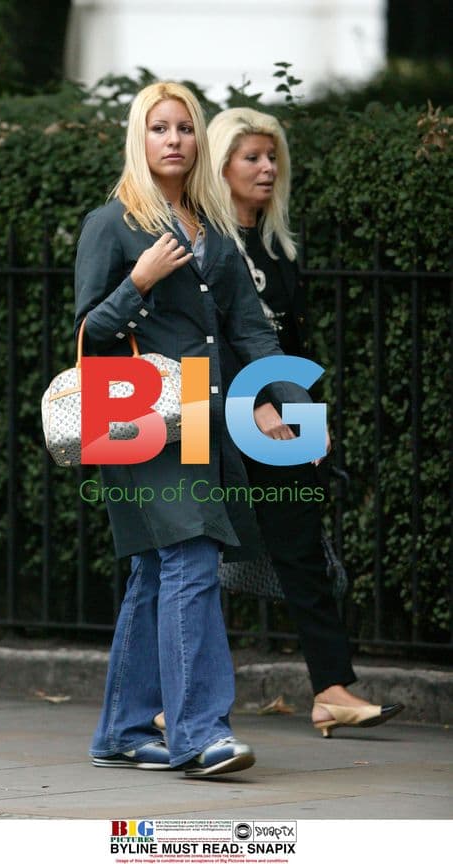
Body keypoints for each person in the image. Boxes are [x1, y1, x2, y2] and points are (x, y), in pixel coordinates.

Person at [74, 83, 312, 776]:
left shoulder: (215, 230)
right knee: (192, 560)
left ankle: (122, 727)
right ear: (138, 139)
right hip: (136, 417)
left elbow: (248, 330)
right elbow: (90, 335)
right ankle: (200, 731)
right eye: (159, 128)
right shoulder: (111, 225)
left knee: (156, 569)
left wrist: (287, 404)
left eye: (185, 127)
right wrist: (139, 280)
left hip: (201, 421)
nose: (174, 139)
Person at [206, 107, 405, 738]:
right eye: (251, 158)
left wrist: (308, 419)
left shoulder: (276, 245)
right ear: (223, 166)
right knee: (188, 559)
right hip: (210, 410)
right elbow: (200, 337)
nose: (266, 169)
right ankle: (167, 697)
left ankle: (332, 690)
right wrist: (250, 404)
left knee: (301, 549)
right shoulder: (202, 242)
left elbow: (289, 341)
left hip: (281, 415)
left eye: (272, 158)